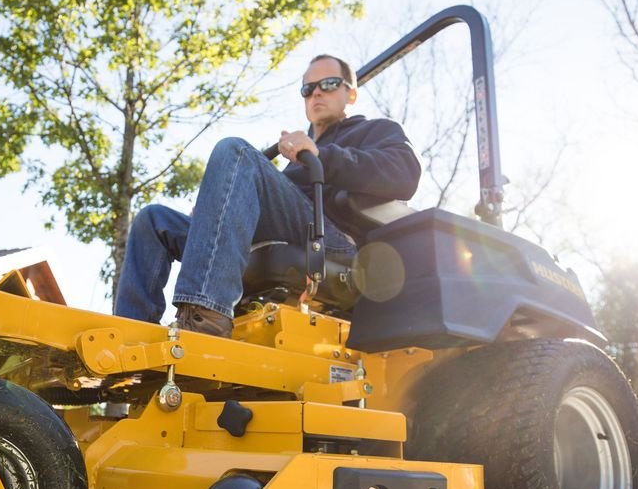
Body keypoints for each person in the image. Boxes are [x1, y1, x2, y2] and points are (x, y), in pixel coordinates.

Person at [113, 54, 421, 336]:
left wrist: (322, 156)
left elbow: (405, 174)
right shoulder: (296, 157)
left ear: (350, 93)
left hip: (332, 242)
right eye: (308, 88)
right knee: (153, 221)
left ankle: (204, 316)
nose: (316, 93)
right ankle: (131, 334)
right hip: (284, 231)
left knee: (236, 153)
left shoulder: (376, 131)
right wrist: (217, 209)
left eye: (328, 84)